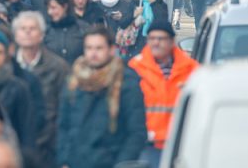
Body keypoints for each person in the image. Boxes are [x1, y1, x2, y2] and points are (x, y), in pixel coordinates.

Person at [57, 25, 146, 168]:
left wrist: (121, 164)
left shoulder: (126, 82)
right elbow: (63, 126)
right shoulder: (74, 81)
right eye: (89, 48)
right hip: (76, 161)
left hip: (110, 161)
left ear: (111, 49)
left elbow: (136, 132)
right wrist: (63, 160)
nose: (93, 53)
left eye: (99, 48)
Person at [128, 19, 198, 166]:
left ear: (172, 41)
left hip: (181, 144)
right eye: (152, 38)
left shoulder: (191, 69)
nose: (156, 43)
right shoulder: (135, 67)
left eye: (161, 39)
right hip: (147, 145)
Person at [13, 11, 69, 166]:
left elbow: (64, 111)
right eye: (23, 28)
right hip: (14, 147)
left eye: (33, 28)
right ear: (16, 35)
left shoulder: (58, 67)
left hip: (47, 147)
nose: (28, 32)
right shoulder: (8, 67)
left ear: (42, 34)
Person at [44, 0, 88, 65]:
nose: (50, 12)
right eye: (48, 8)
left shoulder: (82, 29)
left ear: (65, 6)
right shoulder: (46, 31)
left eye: (53, 8)